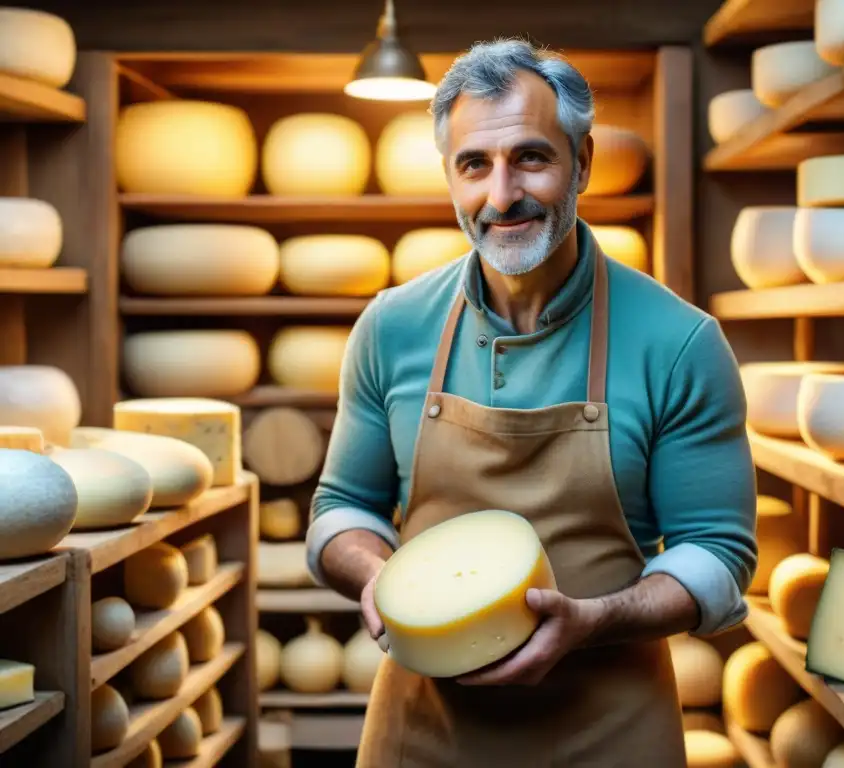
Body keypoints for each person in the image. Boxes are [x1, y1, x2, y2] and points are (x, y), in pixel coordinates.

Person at [306, 37, 757, 768]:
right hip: (424, 731)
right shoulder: (391, 327)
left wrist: (595, 619)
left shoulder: (679, 341)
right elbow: (341, 509)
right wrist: (376, 574)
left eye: (531, 158)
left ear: (582, 161)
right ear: (450, 177)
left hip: (611, 726)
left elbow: (718, 551)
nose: (501, 194)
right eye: (474, 165)